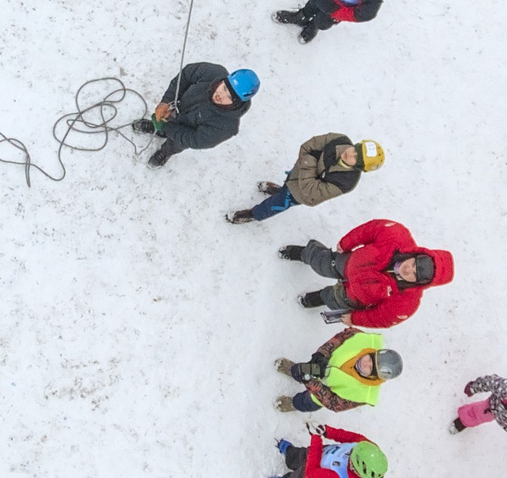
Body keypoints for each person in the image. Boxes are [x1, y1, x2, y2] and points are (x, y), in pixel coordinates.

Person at [281, 217, 454, 325]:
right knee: (320, 262)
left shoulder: (407, 303)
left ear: (421, 283)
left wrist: (355, 319)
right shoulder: (397, 236)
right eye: (415, 263)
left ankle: (316, 298)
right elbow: (371, 229)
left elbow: (380, 318)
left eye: (415, 275)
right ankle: (302, 253)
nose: (409, 269)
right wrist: (346, 243)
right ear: (417, 255)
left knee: (333, 298)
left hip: (354, 296)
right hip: (347, 263)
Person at [227, 132, 380, 225]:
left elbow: (310, 189)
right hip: (297, 174)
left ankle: (254, 214)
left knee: (275, 205)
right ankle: (280, 190)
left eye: (355, 159)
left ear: (358, 167)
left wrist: (309, 160)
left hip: (300, 194)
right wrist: (309, 163)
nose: (350, 154)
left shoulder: (346, 182)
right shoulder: (340, 140)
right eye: (355, 149)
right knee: (286, 185)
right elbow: (308, 146)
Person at [137, 63, 255, 166]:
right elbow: (186, 75)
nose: (220, 95)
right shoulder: (214, 73)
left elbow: (193, 139)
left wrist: (166, 127)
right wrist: (166, 101)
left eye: (229, 97)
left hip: (186, 132)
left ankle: (165, 152)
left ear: (236, 103)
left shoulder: (226, 126)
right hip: (176, 110)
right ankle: (158, 129)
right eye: (224, 88)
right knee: (165, 121)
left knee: (175, 143)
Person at [272, 327, 401, 413]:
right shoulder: (365, 340)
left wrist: (311, 382)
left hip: (320, 394)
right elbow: (343, 336)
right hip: (319, 365)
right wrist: (322, 354)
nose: (365, 363)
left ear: (374, 377)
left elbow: (333, 403)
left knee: (306, 402)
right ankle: (293, 371)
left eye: (370, 368)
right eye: (370, 358)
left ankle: (293, 403)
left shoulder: (363, 394)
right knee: (300, 369)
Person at [264, 424, 387, 478]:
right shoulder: (367, 448)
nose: (350, 452)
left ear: (356, 470)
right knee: (300, 455)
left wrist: (316, 440)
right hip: (323, 453)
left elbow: (311, 474)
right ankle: (290, 454)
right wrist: (326, 431)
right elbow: (351, 437)